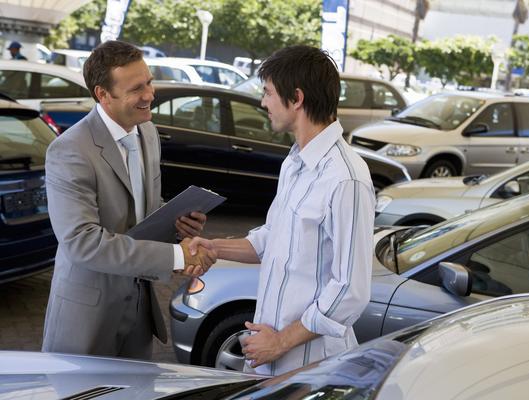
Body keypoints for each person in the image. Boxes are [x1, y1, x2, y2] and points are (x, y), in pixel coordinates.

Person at [189, 45, 375, 375]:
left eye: (268, 92)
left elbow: (350, 290)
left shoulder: (347, 178)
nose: (263, 103)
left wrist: (281, 341)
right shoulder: (295, 162)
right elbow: (271, 239)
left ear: (297, 98)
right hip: (270, 356)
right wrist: (214, 247)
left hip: (312, 367)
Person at [42, 40, 215, 360]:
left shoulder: (147, 131)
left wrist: (178, 225)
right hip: (88, 318)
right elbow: (83, 243)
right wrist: (177, 256)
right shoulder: (70, 150)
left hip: (140, 309)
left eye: (149, 82)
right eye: (137, 88)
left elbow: (145, 214)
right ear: (103, 95)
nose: (150, 95)